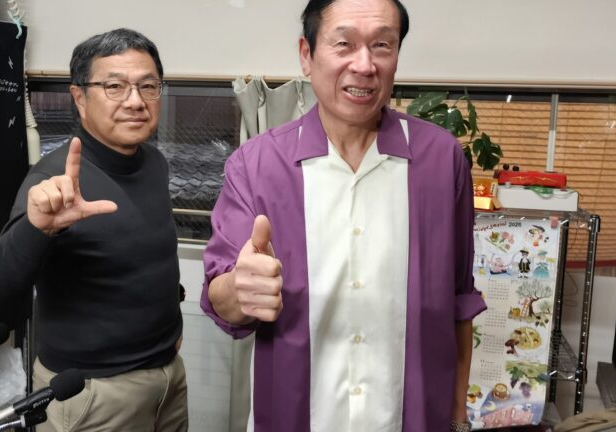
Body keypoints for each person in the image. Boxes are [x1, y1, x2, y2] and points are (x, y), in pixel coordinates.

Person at [201, 0, 486, 431]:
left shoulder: (441, 160)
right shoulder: (257, 164)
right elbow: (220, 295)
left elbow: (459, 302)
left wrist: (458, 417)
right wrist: (240, 290)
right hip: (292, 419)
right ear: (306, 55)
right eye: (344, 44)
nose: (365, 65)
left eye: (382, 45)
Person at [0, 28, 188, 431]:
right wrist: (38, 228)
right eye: (114, 86)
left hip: (168, 377)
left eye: (148, 86)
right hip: (93, 394)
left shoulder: (153, 163)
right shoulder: (55, 180)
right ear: (79, 97)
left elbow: (141, 256)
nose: (135, 101)